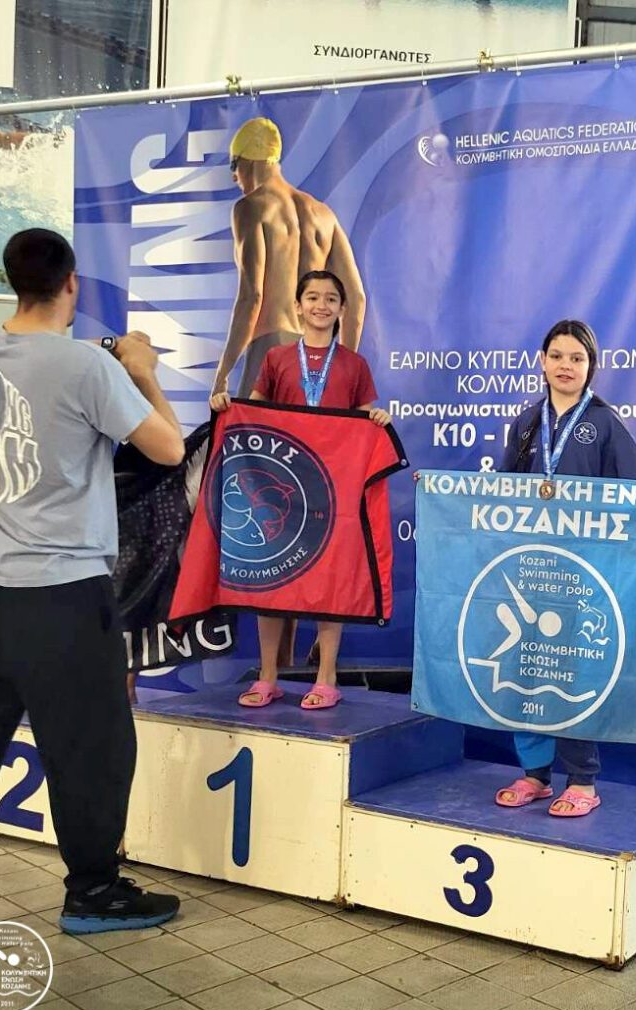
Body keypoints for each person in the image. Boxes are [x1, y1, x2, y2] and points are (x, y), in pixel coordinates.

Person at [0, 228, 185, 943]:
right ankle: (94, 891)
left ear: (11, 281)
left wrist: (107, 360)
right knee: (90, 746)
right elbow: (169, 448)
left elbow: (38, 366)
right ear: (72, 284)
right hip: (60, 595)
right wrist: (140, 370)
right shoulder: (87, 367)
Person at [493, 319, 636, 817]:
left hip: (582, 574)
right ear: (542, 361)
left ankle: (582, 781)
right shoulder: (526, 423)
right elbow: (500, 489)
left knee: (570, 672)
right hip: (529, 568)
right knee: (526, 669)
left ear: (591, 366)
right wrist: (440, 491)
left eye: (577, 358)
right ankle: (535, 774)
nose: (565, 366)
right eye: (557, 356)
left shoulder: (605, 423)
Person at [213, 117, 367, 668]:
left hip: (271, 359)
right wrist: (341, 368)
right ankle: (304, 656)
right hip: (318, 370)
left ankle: (273, 662)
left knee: (267, 512)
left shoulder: (251, 207)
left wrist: (222, 375)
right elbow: (357, 299)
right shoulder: (321, 212)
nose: (235, 179)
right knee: (313, 508)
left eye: (234, 170)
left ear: (246, 163)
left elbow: (252, 296)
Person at [211, 270, 390, 710]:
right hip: (284, 486)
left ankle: (326, 677)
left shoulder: (354, 364)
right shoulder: (277, 358)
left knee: (331, 581)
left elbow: (364, 418)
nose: (321, 305)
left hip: (332, 491)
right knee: (274, 580)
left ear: (342, 309)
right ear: (298, 306)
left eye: (330, 299)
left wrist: (377, 419)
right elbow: (254, 412)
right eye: (312, 297)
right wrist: (228, 406)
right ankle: (268, 676)